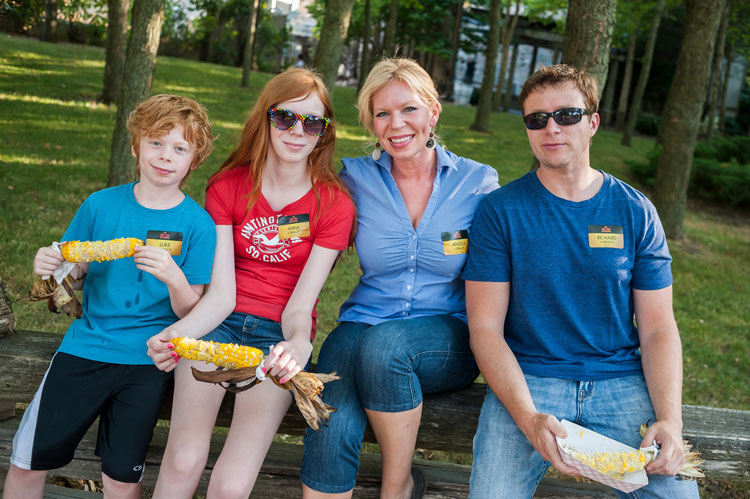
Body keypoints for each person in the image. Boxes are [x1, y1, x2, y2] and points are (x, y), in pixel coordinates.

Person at [462, 64, 699, 498]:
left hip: (620, 381)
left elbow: (658, 326)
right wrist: (528, 416)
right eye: (537, 119)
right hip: (529, 380)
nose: (551, 128)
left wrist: (670, 419)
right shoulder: (500, 211)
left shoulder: (635, 210)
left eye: (566, 115)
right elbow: (485, 330)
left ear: (592, 122)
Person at [145, 68, 355, 499]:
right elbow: (221, 294)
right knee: (183, 460)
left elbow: (301, 305)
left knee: (231, 485)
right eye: (285, 118)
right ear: (265, 118)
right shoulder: (228, 186)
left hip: (275, 337)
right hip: (217, 324)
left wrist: (298, 345)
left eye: (313, 122)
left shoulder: (333, 205)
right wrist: (175, 335)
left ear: (325, 132)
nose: (298, 132)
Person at [301, 58, 499, 499]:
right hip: (363, 322)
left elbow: (509, 270)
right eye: (382, 113)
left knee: (387, 346)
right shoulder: (351, 179)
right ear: (371, 122)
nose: (396, 124)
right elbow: (289, 210)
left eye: (408, 109)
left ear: (433, 112)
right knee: (328, 412)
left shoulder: (478, 183)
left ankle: (398, 488)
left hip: (445, 334)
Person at [3, 94, 217, 499]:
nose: (165, 156)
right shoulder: (100, 205)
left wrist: (174, 278)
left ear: (194, 160)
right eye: (155, 142)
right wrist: (55, 263)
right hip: (85, 349)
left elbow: (192, 308)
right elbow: (76, 273)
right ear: (135, 146)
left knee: (122, 478)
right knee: (29, 462)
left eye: (179, 148)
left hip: (146, 363)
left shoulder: (198, 224)